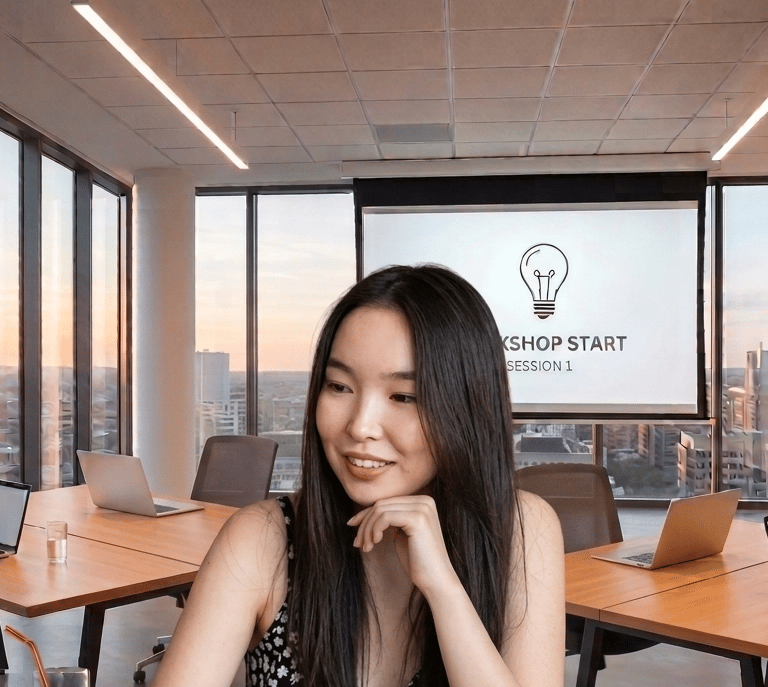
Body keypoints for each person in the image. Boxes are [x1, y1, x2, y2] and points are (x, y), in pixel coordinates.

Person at [153, 264, 565, 687]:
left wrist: (444, 591)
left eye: (404, 396)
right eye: (339, 386)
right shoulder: (262, 538)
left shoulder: (521, 530)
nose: (360, 426)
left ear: (467, 408)